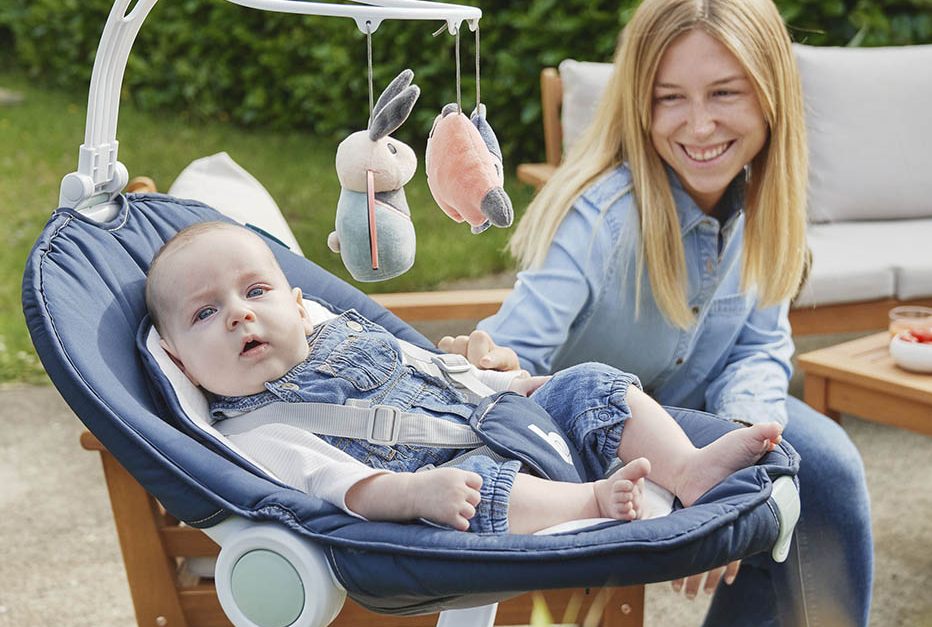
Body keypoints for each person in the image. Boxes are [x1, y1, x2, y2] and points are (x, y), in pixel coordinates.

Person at [442, 0, 871, 627]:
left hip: (699, 425)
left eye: (726, 93)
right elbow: (518, 353)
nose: (698, 124)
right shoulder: (601, 215)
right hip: (594, 448)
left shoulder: (763, 204)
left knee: (795, 463)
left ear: (772, 93)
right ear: (639, 104)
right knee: (817, 470)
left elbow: (758, 350)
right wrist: (492, 358)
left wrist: (746, 436)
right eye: (670, 96)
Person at [143, 220, 785, 536]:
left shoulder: (342, 334)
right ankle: (592, 505)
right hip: (462, 481)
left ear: (297, 303)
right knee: (479, 492)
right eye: (206, 312)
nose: (240, 314)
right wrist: (417, 495)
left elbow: (440, 373)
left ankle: (686, 467)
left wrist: (519, 387)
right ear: (175, 358)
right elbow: (349, 487)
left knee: (591, 382)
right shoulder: (260, 429)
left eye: (256, 291)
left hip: (511, 419)